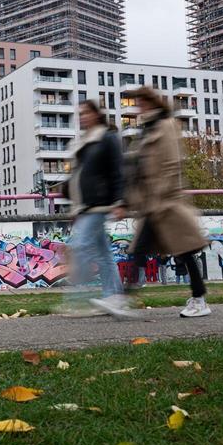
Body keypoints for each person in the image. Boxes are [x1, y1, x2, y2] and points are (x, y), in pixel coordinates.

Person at [95, 86, 212, 318]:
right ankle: (127, 298)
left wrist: (159, 196)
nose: (138, 107)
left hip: (165, 203)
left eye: (141, 102)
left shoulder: (166, 126)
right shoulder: (147, 129)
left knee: (180, 251)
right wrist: (129, 200)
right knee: (147, 251)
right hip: (153, 204)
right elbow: (138, 169)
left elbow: (171, 164)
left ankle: (196, 299)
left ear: (152, 102)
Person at [58, 100, 126, 315]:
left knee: (79, 247)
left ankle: (76, 302)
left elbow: (118, 171)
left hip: (100, 205)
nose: (82, 117)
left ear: (97, 114)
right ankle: (114, 299)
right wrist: (75, 208)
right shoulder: (86, 142)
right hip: (86, 207)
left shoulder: (107, 138)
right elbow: (79, 176)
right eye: (80, 113)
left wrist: (120, 202)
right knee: (104, 255)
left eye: (86, 113)